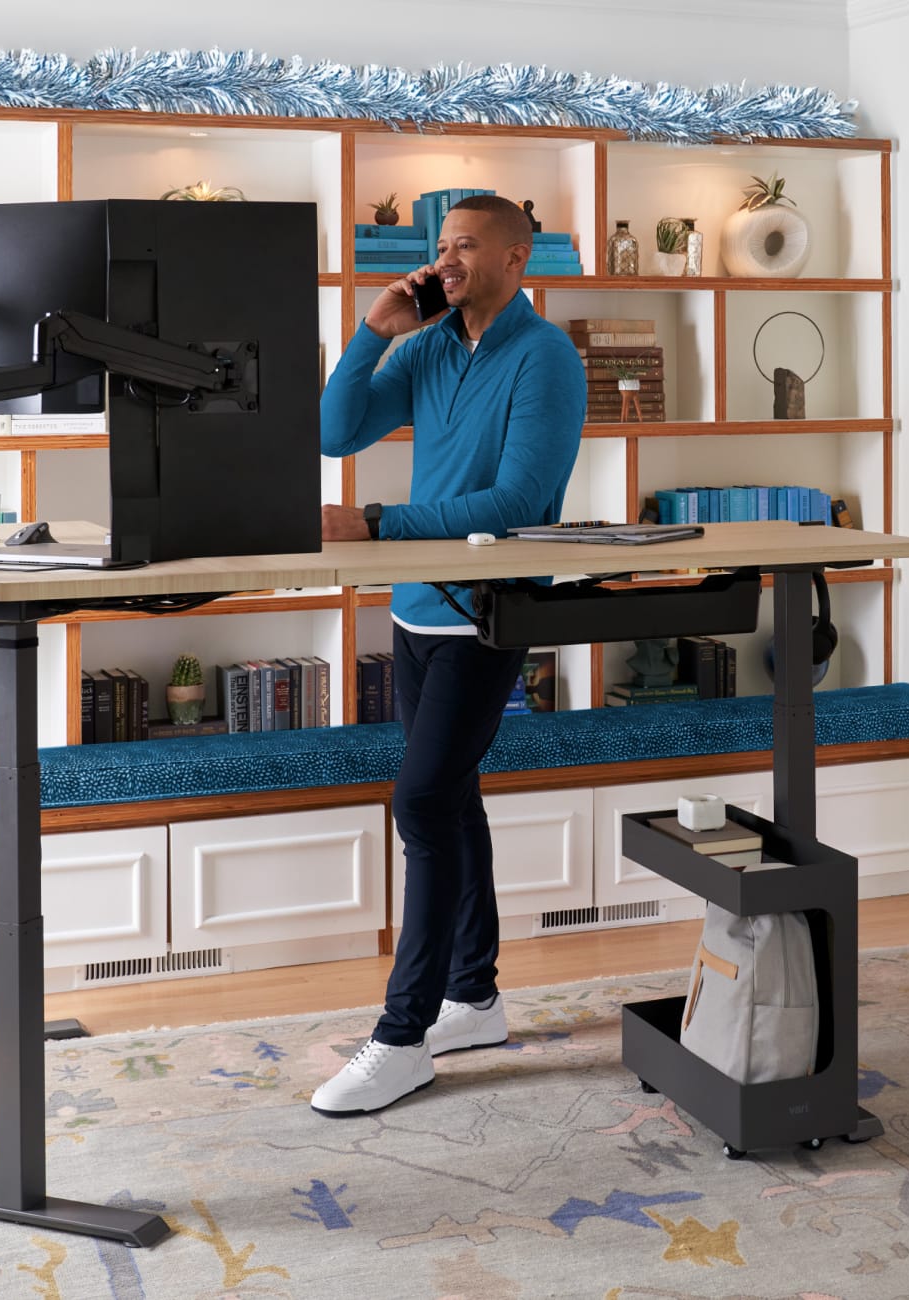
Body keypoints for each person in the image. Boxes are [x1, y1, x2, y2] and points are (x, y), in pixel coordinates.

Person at [309, 195, 586, 1116]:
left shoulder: (545, 358)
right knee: (452, 797)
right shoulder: (428, 346)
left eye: (467, 245)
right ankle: (475, 997)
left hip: (488, 615)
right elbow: (334, 432)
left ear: (518, 256)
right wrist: (371, 329)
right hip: (418, 610)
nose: (449, 260)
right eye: (441, 248)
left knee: (422, 799)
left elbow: (518, 500)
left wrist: (377, 522)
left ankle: (402, 1037)